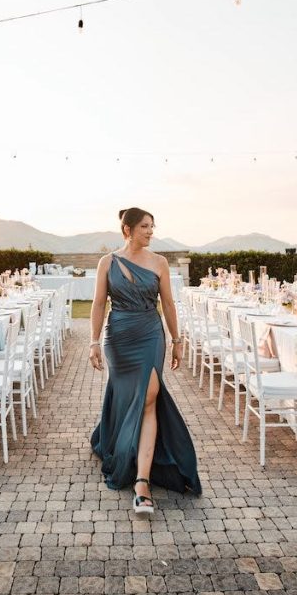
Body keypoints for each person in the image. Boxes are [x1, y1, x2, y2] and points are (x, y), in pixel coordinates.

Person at [89, 207, 202, 513]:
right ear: (127, 229)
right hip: (119, 337)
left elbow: (168, 304)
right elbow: (98, 304)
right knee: (128, 397)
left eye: (152, 226)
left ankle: (142, 481)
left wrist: (177, 341)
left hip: (151, 334)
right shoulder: (107, 262)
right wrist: (93, 342)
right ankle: (117, 440)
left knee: (150, 395)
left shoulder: (159, 262)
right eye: (145, 226)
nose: (151, 231)